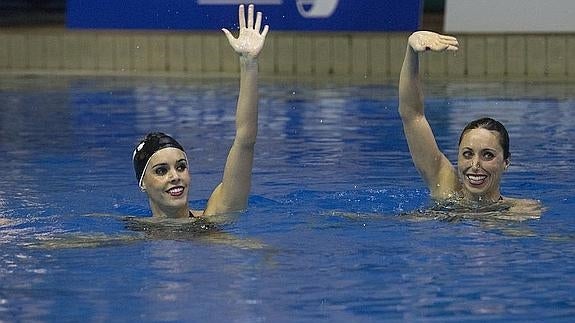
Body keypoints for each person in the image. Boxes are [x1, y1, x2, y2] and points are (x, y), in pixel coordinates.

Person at [132, 4, 269, 219]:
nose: (174, 176)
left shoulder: (212, 219)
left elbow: (245, 140)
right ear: (142, 183)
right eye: (161, 170)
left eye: (181, 167)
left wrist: (248, 63)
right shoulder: (133, 232)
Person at [398, 31, 541, 215]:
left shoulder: (521, 210)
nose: (475, 165)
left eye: (487, 155)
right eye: (467, 154)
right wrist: (412, 51)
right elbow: (412, 115)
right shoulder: (445, 185)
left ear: (506, 161)